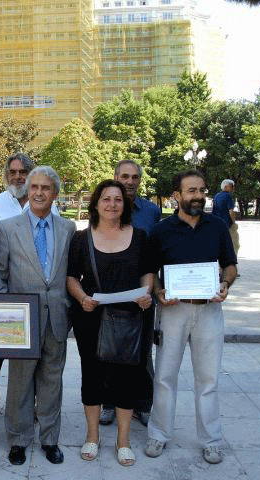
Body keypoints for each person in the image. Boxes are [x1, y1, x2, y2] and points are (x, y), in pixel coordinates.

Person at [144, 170, 237, 465]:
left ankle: (211, 440)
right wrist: (157, 291)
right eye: (191, 191)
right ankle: (158, 434)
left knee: (208, 378)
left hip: (209, 310)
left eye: (202, 190)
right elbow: (151, 271)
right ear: (177, 195)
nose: (198, 196)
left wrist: (225, 284)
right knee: (165, 376)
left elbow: (230, 265)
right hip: (173, 311)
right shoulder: (161, 230)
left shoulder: (217, 226)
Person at [0, 153, 59, 436]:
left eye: (23, 172)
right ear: (6, 175)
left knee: (33, 357)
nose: (18, 177)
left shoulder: (48, 205)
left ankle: (32, 406)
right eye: (13, 172)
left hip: (38, 296)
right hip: (3, 290)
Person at [0, 166, 76, 466]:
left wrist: (69, 307)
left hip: (57, 318)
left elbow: (72, 274)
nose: (39, 193)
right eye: (34, 187)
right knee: (20, 382)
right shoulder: (7, 227)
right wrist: (8, 315)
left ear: (55, 193)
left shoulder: (68, 228)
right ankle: (18, 439)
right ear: (28, 191)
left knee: (52, 381)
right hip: (21, 322)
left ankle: (50, 439)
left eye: (46, 188)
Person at [67, 179, 153, 466]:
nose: (112, 204)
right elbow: (71, 277)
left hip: (129, 319)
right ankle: (92, 436)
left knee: (126, 379)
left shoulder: (140, 236)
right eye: (106, 199)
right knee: (91, 377)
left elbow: (147, 272)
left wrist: (147, 293)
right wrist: (82, 298)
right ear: (96, 204)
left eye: (118, 199)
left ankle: (123, 440)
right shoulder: (81, 238)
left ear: (125, 205)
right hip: (91, 318)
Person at [99, 160, 161, 428]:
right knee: (109, 349)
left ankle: (143, 404)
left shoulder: (151, 212)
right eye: (125, 176)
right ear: (115, 176)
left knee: (142, 353)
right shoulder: (105, 207)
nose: (130, 181)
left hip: (143, 292)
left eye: (135, 177)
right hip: (112, 291)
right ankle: (108, 402)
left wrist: (153, 289)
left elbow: (157, 252)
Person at [212, 179, 239, 256]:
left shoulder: (216, 196)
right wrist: (234, 222)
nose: (233, 188)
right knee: (234, 244)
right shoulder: (228, 196)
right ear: (226, 186)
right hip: (227, 224)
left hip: (217, 224)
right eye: (232, 186)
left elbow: (213, 210)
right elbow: (231, 211)